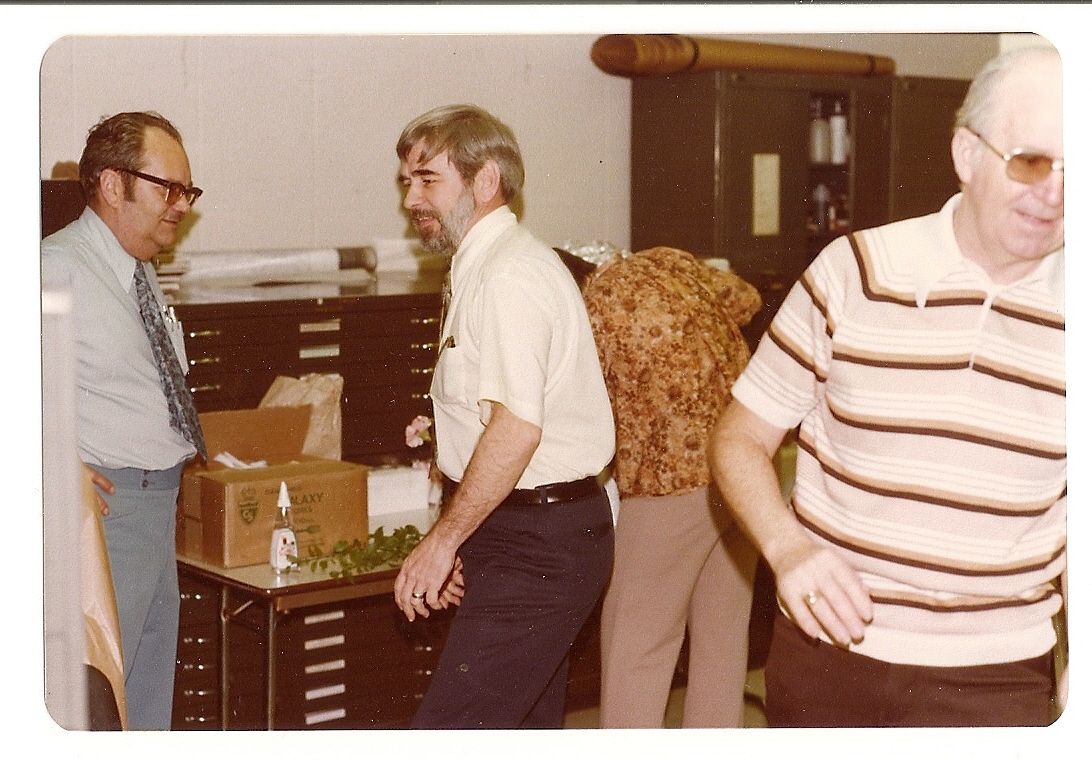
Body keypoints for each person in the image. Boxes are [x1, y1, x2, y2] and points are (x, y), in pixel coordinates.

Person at [708, 44, 1065, 728]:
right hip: (827, 657)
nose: (1055, 192)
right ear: (967, 154)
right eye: (1030, 161)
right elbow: (740, 436)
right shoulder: (854, 272)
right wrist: (787, 549)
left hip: (994, 679)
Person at [390, 104, 616, 729]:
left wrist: (442, 542)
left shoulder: (508, 276)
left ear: (484, 180)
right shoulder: (482, 268)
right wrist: (463, 537)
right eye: (406, 181)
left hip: (540, 543)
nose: (411, 197)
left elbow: (515, 429)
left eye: (427, 178)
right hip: (515, 530)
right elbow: (479, 427)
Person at [42, 111, 206, 730]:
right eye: (168, 188)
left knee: (144, 708)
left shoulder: (136, 271)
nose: (181, 206)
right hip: (106, 518)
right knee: (98, 709)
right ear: (113, 185)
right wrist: (49, 464)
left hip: (155, 512)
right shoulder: (52, 267)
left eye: (187, 191)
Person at [576, 246, 762, 728]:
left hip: (669, 484)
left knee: (635, 652)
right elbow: (746, 300)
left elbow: (574, 411)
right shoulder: (666, 259)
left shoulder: (588, 308)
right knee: (721, 649)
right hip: (742, 472)